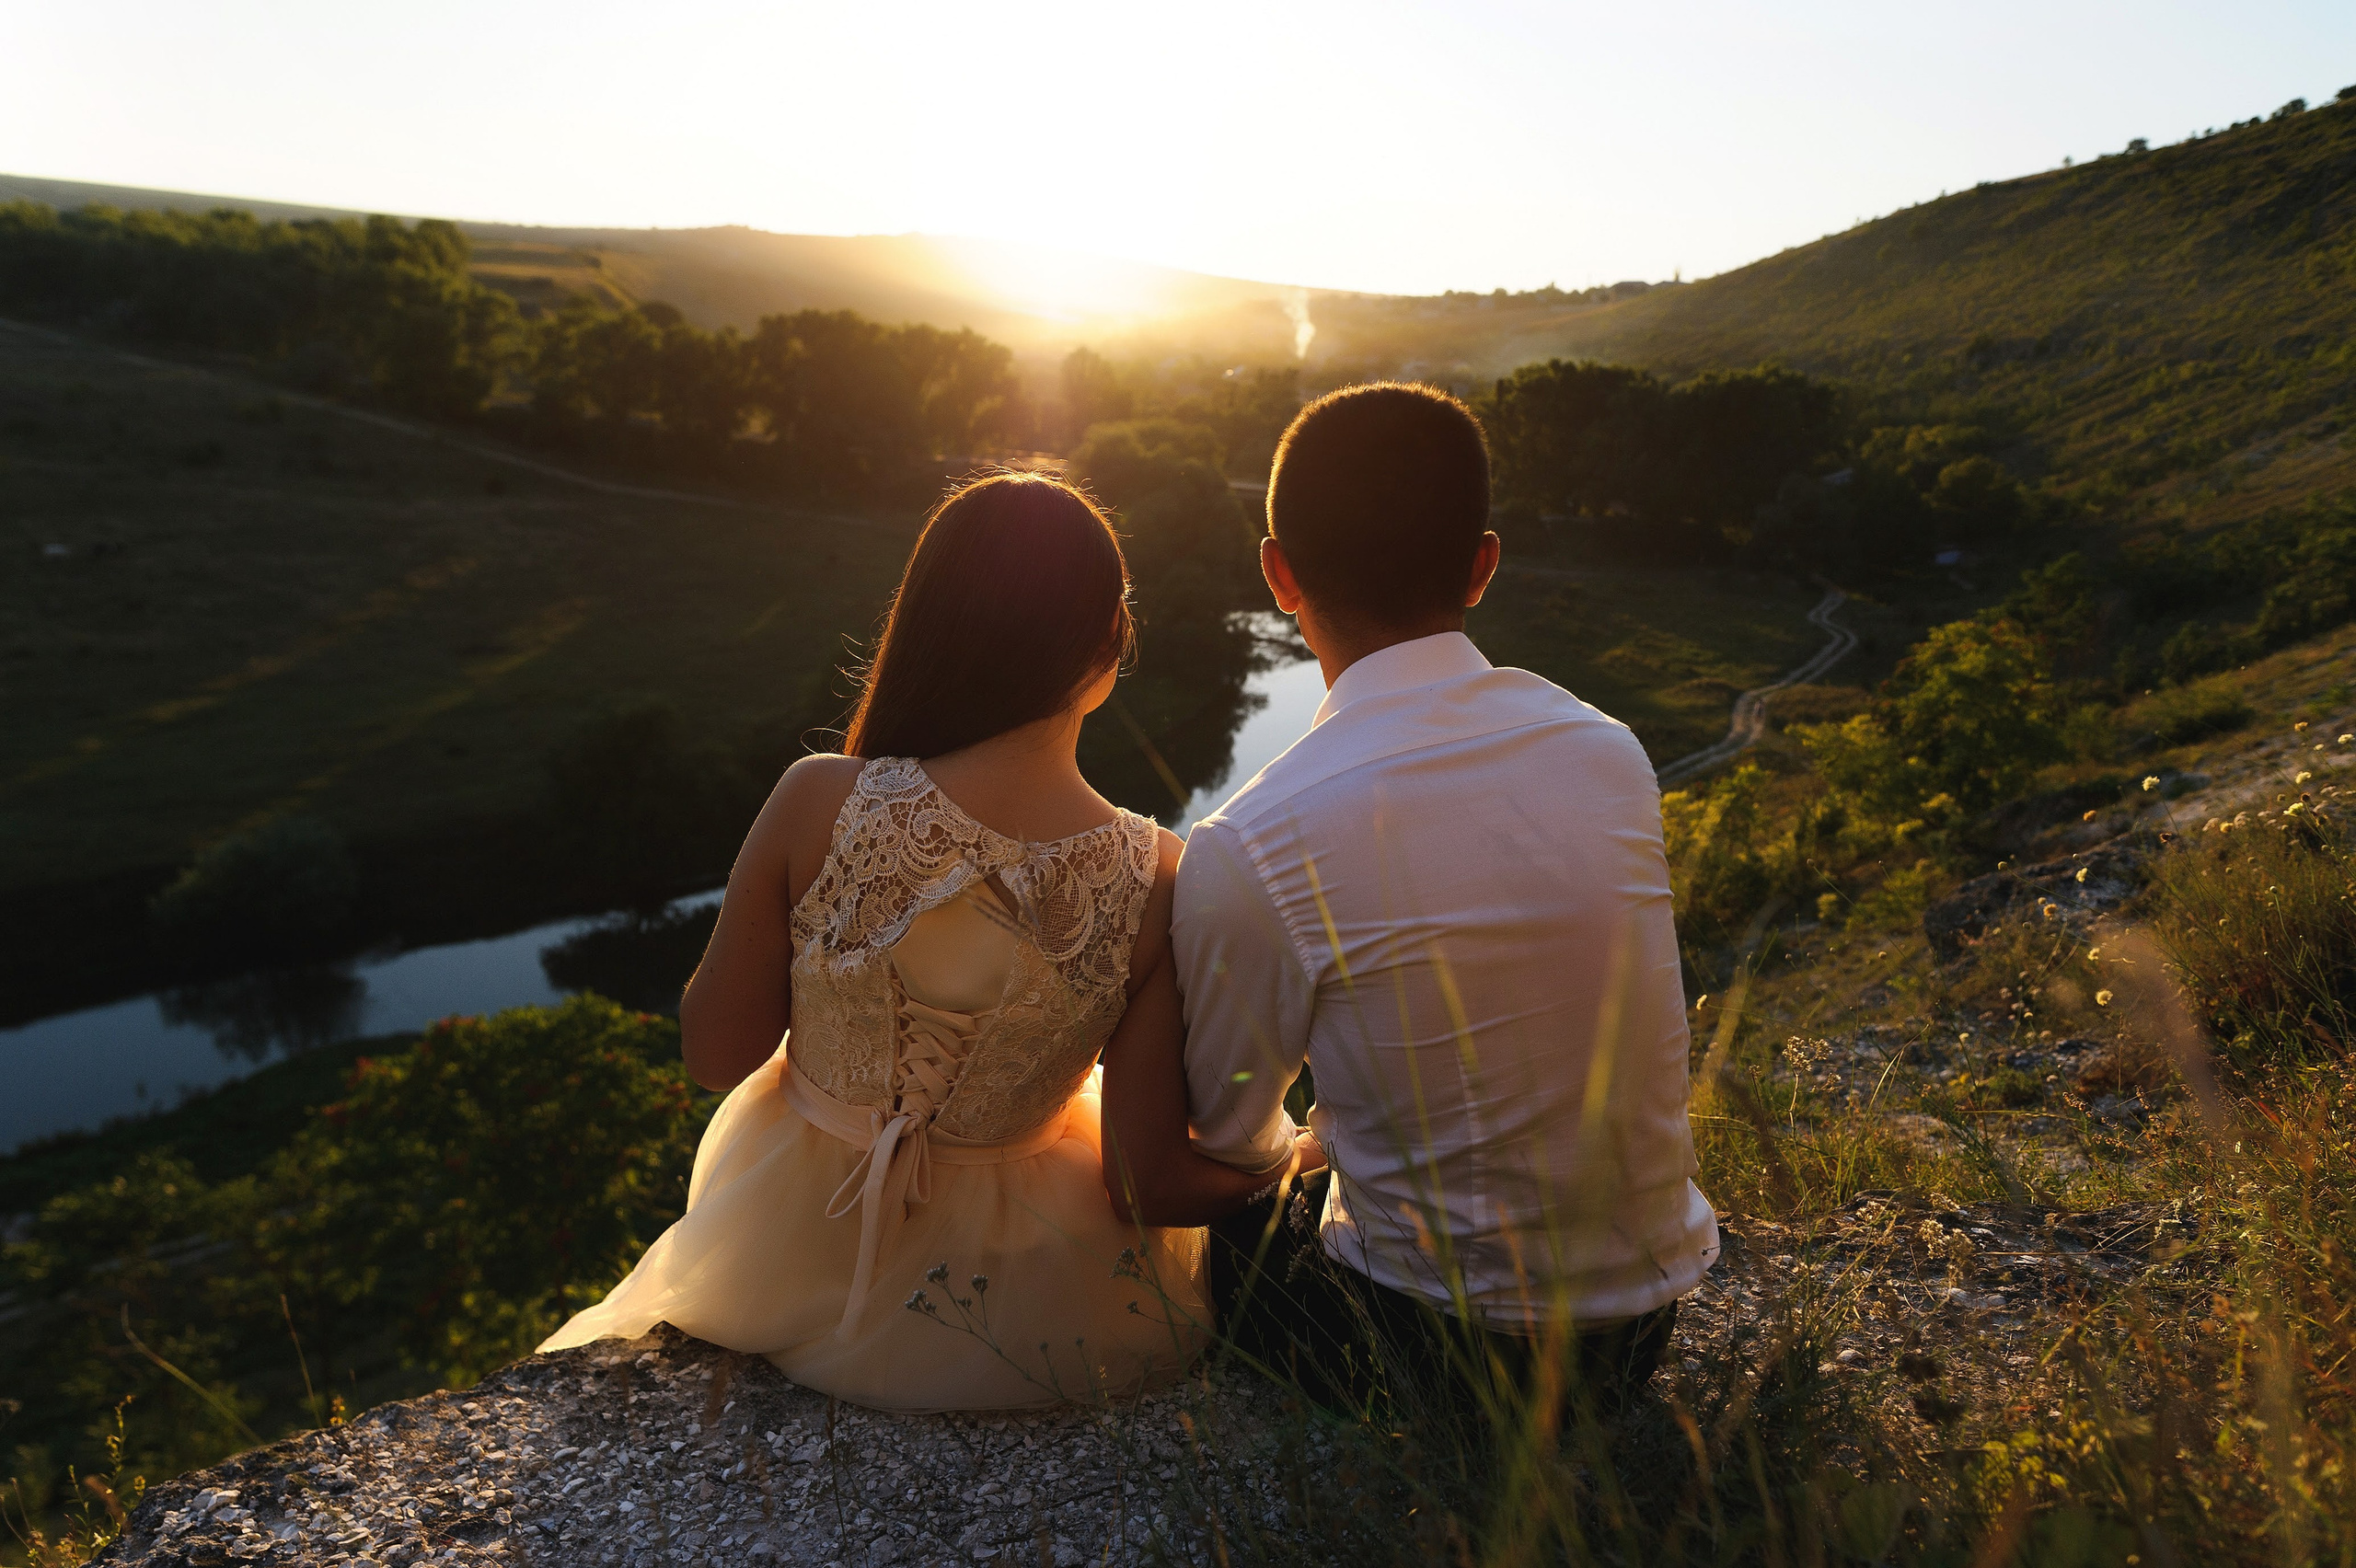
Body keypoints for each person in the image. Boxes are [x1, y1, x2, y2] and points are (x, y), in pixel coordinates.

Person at [540, 472, 1310, 1411]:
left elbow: (714, 1054)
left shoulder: (818, 797)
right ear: (1111, 640)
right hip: (1026, 1307)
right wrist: (1291, 1161)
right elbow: (1143, 1185)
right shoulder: (1158, 876)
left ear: (930, 622)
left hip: (784, 1258)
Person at [1133, 382, 1720, 1418]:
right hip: (1639, 1336)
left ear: (1278, 573)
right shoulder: (1608, 752)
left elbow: (1226, 1142)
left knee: (1213, 1224)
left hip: (1428, 1355)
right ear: (1483, 566)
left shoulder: (1253, 837)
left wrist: (1304, 1149)